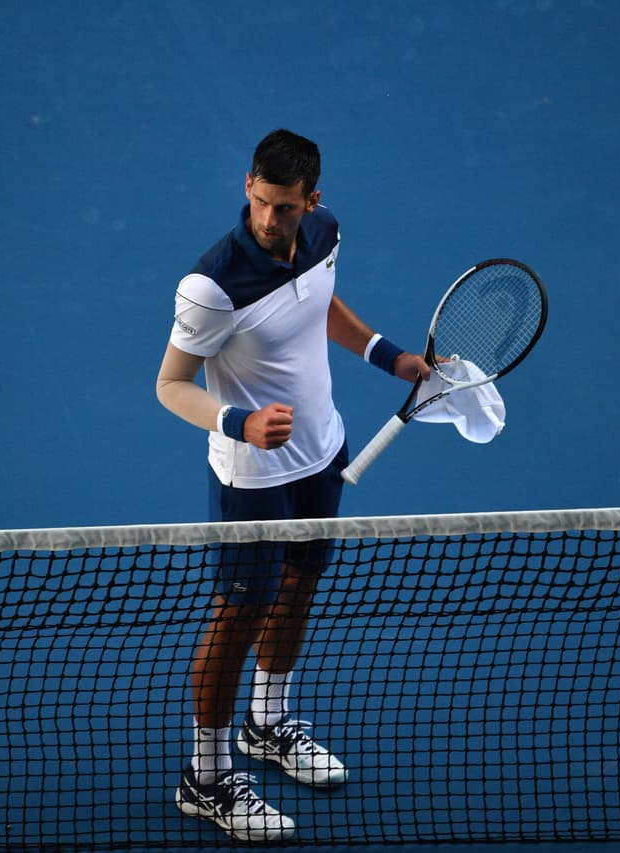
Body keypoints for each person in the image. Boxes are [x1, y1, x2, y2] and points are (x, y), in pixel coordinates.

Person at [156, 129, 429, 843]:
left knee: (300, 586)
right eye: (262, 202)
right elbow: (169, 384)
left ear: (313, 200)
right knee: (236, 616)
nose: (271, 220)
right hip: (253, 472)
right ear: (248, 183)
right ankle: (206, 776)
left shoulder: (323, 233)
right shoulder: (212, 286)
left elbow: (321, 303)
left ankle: (267, 722)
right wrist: (237, 422)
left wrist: (387, 354)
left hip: (322, 451)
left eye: (287, 207)